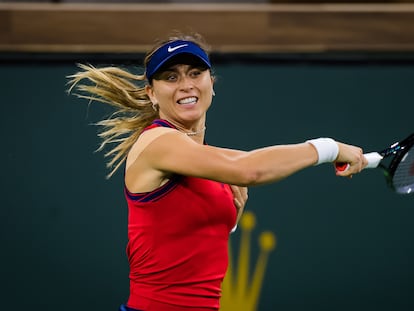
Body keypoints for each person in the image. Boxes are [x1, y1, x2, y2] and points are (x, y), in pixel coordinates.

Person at [68, 31, 367, 311]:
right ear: (152, 93)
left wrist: (231, 221)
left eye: (195, 73)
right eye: (171, 77)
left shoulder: (204, 158)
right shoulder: (157, 141)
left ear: (212, 82)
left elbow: (194, 247)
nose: (186, 84)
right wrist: (329, 148)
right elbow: (249, 170)